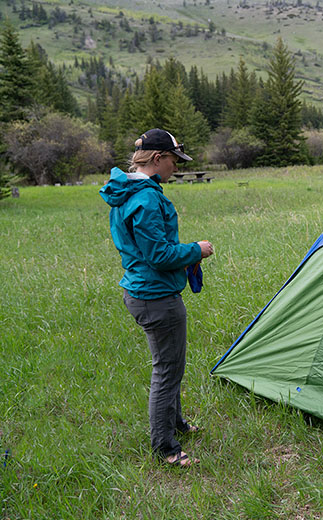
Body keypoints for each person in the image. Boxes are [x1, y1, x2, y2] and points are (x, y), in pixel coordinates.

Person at [99, 129, 214, 468]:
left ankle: (176, 423)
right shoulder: (147, 197)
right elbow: (160, 256)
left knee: (171, 366)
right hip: (156, 296)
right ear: (157, 158)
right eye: (174, 161)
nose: (176, 168)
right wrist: (197, 250)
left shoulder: (126, 190)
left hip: (143, 291)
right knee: (167, 370)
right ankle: (166, 446)